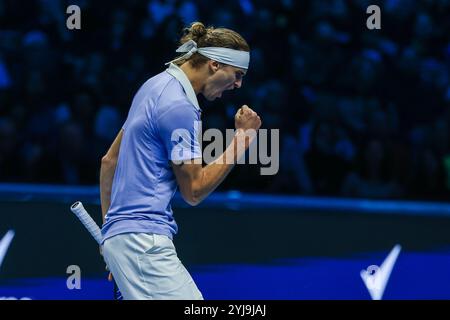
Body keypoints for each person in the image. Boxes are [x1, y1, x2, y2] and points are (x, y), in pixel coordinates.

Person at [99, 22, 261, 300]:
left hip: (125, 239)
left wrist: (109, 238)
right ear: (214, 64)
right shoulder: (180, 106)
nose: (238, 85)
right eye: (237, 74)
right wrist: (243, 139)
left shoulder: (154, 85)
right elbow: (194, 191)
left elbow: (109, 162)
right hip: (144, 242)